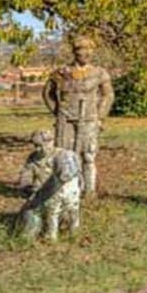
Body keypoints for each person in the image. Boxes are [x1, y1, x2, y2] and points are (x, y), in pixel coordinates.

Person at [42, 33, 114, 197]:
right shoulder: (61, 73)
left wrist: (100, 116)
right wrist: (58, 111)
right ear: (75, 51)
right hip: (66, 120)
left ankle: (89, 191)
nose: (86, 53)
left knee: (88, 155)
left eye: (89, 50)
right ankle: (66, 190)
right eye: (82, 49)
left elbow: (108, 95)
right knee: (65, 155)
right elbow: (47, 93)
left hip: (89, 119)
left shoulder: (99, 73)